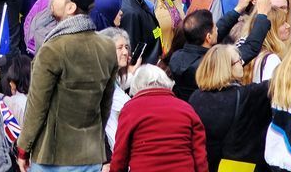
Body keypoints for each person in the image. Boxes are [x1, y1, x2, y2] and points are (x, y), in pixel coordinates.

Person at [18, 0, 118, 171]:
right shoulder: (107, 47)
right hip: (90, 154)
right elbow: (105, 105)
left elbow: (36, 106)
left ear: (71, 7)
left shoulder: (53, 49)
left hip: (53, 157)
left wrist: (23, 148)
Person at [188, 43, 273, 172]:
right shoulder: (246, 96)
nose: (242, 63)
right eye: (238, 61)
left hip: (206, 165)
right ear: (227, 68)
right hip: (239, 167)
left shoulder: (195, 97)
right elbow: (279, 81)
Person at [109, 64, 208, 172]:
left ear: (136, 86)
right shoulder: (186, 109)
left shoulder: (130, 110)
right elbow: (200, 156)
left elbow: (120, 156)